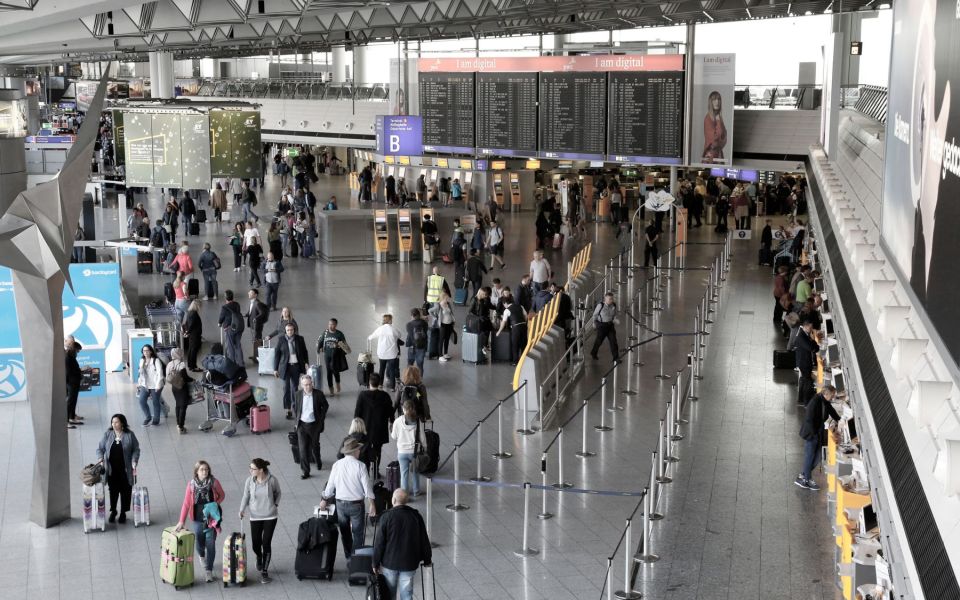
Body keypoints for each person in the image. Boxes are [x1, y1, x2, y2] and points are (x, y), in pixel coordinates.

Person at [319, 438, 377, 560]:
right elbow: (367, 487)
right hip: (356, 505)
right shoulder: (361, 466)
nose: (360, 452)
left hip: (340, 504)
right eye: (358, 449)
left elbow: (330, 486)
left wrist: (324, 499)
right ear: (355, 451)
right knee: (358, 533)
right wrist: (372, 503)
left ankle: (348, 557)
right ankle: (356, 559)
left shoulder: (337, 465)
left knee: (345, 532)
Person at [373, 488, 432, 600]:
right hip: (408, 563)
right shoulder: (416, 516)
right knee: (407, 595)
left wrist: (375, 563)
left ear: (393, 500)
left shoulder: (386, 517)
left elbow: (379, 543)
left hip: (389, 563)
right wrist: (427, 559)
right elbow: (424, 539)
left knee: (389, 594)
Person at [175, 460, 226, 583]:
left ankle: (209, 571)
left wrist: (214, 504)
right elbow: (186, 504)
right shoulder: (191, 485)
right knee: (199, 541)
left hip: (211, 519)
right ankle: (202, 555)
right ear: (196, 472)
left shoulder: (214, 482)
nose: (205, 472)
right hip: (197, 519)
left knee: (211, 543)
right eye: (202, 469)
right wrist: (181, 521)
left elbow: (222, 495)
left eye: (207, 469)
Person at [239, 458, 281, 583]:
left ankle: (264, 571)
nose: (250, 470)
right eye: (250, 468)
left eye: (253, 469)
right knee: (256, 544)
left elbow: (278, 493)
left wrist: (275, 505)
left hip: (270, 516)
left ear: (261, 470)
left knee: (266, 543)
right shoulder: (249, 481)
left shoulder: (272, 480)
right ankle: (259, 556)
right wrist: (242, 509)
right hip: (255, 516)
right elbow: (246, 495)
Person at [96, 414, 140, 525]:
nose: (114, 424)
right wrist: (101, 459)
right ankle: (113, 510)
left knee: (125, 491)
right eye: (112, 422)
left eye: (116, 422)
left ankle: (123, 512)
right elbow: (100, 449)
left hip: (125, 470)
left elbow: (136, 449)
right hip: (111, 470)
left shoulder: (129, 435)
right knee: (113, 491)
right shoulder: (108, 434)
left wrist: (134, 461)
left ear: (122, 423)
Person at [795, 386, 840, 491]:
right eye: (832, 395)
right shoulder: (815, 402)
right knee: (810, 456)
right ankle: (806, 480)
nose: (833, 397)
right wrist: (814, 434)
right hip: (812, 433)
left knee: (819, 455)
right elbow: (809, 420)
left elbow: (830, 410)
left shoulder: (823, 400)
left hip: (817, 431)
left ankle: (803, 475)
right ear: (826, 394)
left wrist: (839, 419)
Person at [354, 372, 394, 478]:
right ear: (379, 383)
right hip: (379, 429)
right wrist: (391, 422)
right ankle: (376, 471)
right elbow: (390, 411)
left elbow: (357, 413)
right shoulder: (385, 396)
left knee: (365, 449)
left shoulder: (362, 395)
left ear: (369, 382)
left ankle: (366, 471)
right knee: (378, 450)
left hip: (365, 428)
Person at [293, 374, 329, 478]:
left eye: (309, 384)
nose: (307, 387)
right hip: (302, 426)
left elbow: (325, 405)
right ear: (301, 385)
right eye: (305, 385)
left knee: (315, 446)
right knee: (303, 449)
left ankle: (318, 460)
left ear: (312, 384)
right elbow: (294, 406)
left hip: (314, 425)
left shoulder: (318, 394)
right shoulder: (298, 394)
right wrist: (297, 419)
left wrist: (321, 419)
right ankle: (305, 472)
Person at [274, 323, 309, 421]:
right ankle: (288, 409)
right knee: (286, 388)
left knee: (295, 388)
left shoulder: (299, 339)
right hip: (285, 367)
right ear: (285, 331)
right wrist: (275, 369)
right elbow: (277, 354)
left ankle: (295, 407)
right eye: (288, 330)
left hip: (296, 366)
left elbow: (304, 351)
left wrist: (306, 362)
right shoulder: (281, 340)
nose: (290, 332)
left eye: (291, 330)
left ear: (294, 330)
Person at [391, 400, 422, 499]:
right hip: (414, 452)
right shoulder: (417, 421)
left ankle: (404, 494)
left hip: (402, 452)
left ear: (403, 409)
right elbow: (422, 437)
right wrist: (425, 447)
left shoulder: (398, 421)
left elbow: (394, 436)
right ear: (413, 409)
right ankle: (416, 491)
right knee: (415, 471)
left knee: (404, 473)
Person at [368, 314, 403, 391]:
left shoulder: (380, 329)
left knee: (382, 368)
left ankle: (380, 384)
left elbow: (370, 337)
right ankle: (392, 387)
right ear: (390, 320)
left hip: (382, 353)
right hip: (392, 353)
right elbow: (400, 335)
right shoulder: (393, 329)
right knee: (392, 370)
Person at [166, 348, 194, 434]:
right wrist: (192, 379)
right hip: (182, 387)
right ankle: (181, 427)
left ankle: (178, 423)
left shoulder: (169, 364)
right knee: (183, 406)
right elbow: (185, 377)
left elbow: (167, 376)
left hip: (174, 387)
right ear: (179, 354)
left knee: (178, 405)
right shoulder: (181, 364)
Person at [317, 318, 348, 396]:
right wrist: (318, 349)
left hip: (336, 356)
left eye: (332, 324)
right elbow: (320, 341)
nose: (330, 326)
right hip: (327, 355)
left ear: (336, 325)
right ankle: (331, 389)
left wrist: (338, 345)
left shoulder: (339, 334)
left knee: (335, 371)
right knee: (329, 372)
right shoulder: (325, 333)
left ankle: (337, 383)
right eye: (329, 324)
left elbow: (345, 346)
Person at [136, 345, 165, 426]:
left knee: (155, 402)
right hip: (145, 384)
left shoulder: (156, 360)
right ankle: (148, 417)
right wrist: (139, 383)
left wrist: (158, 386)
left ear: (151, 351)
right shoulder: (142, 360)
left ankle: (156, 419)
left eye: (147, 350)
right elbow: (140, 373)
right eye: (144, 351)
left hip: (155, 384)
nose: (145, 352)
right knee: (142, 401)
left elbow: (160, 374)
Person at [495, 297, 527, 366]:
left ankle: (515, 362)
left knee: (515, 345)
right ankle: (524, 361)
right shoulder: (520, 306)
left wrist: (499, 331)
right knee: (523, 344)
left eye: (504, 305)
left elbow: (503, 322)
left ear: (505, 303)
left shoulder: (507, 310)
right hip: (524, 326)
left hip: (516, 328)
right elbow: (525, 316)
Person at [795, 319, 819, 406]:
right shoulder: (802, 336)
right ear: (806, 326)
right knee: (808, 381)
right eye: (811, 327)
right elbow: (812, 348)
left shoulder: (805, 334)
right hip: (804, 362)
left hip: (804, 361)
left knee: (804, 380)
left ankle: (801, 399)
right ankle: (806, 402)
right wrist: (813, 340)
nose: (811, 329)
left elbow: (815, 348)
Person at [590, 292, 619, 362]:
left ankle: (616, 358)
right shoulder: (600, 305)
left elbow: (614, 314)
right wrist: (594, 323)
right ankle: (593, 353)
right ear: (605, 299)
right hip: (602, 326)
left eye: (612, 299)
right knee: (599, 341)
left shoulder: (613, 305)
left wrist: (615, 319)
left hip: (610, 326)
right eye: (609, 299)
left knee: (613, 341)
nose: (611, 300)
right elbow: (595, 315)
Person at [429, 291, 456, 362]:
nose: (447, 300)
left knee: (447, 339)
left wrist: (453, 320)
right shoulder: (438, 306)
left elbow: (451, 313)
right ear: (442, 298)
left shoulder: (448, 304)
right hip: (443, 325)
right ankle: (440, 355)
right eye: (446, 298)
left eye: (447, 298)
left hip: (449, 324)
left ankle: (445, 353)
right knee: (441, 340)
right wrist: (436, 317)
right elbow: (430, 311)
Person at [702, 90, 728, 162]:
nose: (717, 102)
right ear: (711, 102)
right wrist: (719, 122)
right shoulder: (708, 118)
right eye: (714, 100)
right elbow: (714, 140)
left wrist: (720, 142)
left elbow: (725, 138)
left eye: (719, 99)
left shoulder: (719, 117)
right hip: (710, 156)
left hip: (718, 155)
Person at [65, 336, 84, 429]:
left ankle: (72, 417)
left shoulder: (71, 357)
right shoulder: (68, 357)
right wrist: (80, 372)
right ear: (74, 349)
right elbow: (69, 372)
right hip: (71, 383)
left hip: (74, 382)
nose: (78, 353)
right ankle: (66, 421)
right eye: (77, 351)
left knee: (74, 401)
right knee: (70, 401)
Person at [246, 289, 269, 362]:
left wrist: (255, 318)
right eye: (249, 292)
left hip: (257, 325)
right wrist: (247, 314)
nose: (249, 294)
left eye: (251, 293)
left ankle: (258, 357)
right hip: (253, 325)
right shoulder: (252, 302)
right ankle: (255, 355)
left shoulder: (257, 303)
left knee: (257, 340)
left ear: (255, 295)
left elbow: (262, 313)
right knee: (255, 340)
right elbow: (250, 311)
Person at [181, 300, 203, 372]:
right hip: (195, 335)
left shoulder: (189, 312)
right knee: (194, 350)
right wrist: (188, 332)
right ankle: (193, 366)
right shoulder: (194, 313)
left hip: (191, 335)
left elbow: (187, 323)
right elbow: (191, 325)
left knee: (191, 349)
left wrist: (187, 332)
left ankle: (190, 365)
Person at [405, 308, 429, 376]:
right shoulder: (424, 323)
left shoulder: (409, 324)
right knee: (420, 365)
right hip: (421, 346)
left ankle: (408, 380)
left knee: (410, 364)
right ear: (419, 315)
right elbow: (426, 331)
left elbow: (409, 333)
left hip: (411, 347)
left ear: (412, 315)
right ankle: (419, 381)